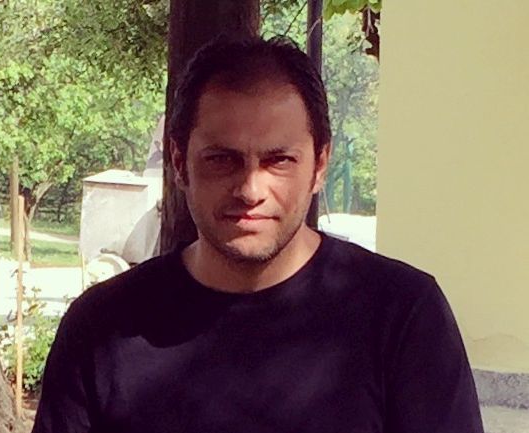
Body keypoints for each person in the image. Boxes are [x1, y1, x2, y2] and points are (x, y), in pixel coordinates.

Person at [32, 36, 484, 433]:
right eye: (222, 159)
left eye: (278, 160)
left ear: (319, 165)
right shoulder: (103, 327)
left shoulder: (403, 315)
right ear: (178, 162)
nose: (250, 189)